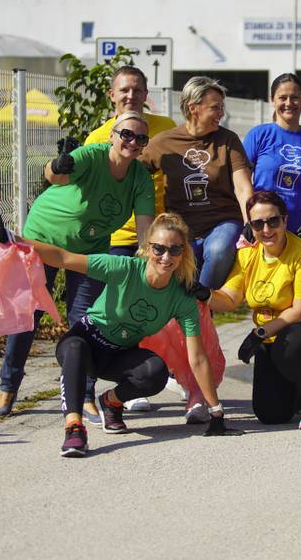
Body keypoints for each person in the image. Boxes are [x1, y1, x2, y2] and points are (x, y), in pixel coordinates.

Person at [0, 205, 242, 457]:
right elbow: (63, 257)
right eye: (159, 248)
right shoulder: (123, 268)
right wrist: (10, 237)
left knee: (155, 373)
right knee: (76, 349)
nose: (166, 256)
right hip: (85, 342)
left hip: (119, 355)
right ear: (147, 248)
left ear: (184, 253)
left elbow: (198, 358)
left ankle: (111, 402)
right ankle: (74, 428)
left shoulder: (181, 298)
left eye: (175, 250)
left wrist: (217, 412)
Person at [0, 111, 156, 421]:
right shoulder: (92, 155)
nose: (132, 142)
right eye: (126, 135)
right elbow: (54, 175)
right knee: (29, 316)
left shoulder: (139, 179)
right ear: (112, 136)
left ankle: (85, 394)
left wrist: (147, 267)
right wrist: (57, 164)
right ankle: (8, 386)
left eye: (140, 138)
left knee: (87, 322)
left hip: (89, 250)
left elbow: (146, 232)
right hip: (43, 238)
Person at [139, 76, 254, 423]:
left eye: (221, 106)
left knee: (219, 251)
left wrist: (250, 220)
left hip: (222, 222)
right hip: (182, 230)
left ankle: (195, 305)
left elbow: (241, 184)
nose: (221, 112)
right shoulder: (164, 142)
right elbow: (131, 167)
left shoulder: (227, 140)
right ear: (193, 108)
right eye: (215, 106)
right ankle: (192, 324)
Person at [204, 191, 301, 430]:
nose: (266, 230)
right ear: (251, 226)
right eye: (258, 224)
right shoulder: (247, 254)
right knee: (271, 413)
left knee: (289, 349)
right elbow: (229, 298)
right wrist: (203, 294)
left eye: (273, 221)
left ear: (285, 220)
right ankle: (298, 390)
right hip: (274, 332)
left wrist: (259, 333)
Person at [84, 65, 178, 413]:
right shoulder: (97, 137)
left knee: (158, 309)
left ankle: (169, 373)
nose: (131, 96)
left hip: (156, 239)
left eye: (137, 90)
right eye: (124, 90)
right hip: (111, 239)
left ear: (146, 93)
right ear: (112, 94)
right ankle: (124, 386)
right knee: (115, 314)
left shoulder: (165, 128)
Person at [243, 73, 301, 246]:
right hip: (263, 229)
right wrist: (249, 221)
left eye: (294, 97)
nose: (289, 103)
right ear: (272, 100)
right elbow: (242, 184)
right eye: (282, 98)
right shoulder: (259, 135)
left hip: (300, 231)